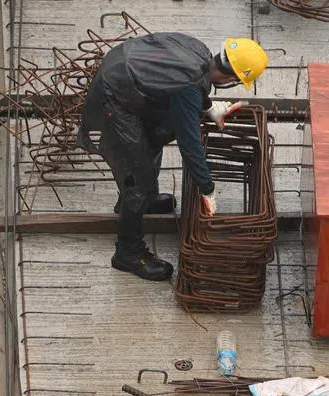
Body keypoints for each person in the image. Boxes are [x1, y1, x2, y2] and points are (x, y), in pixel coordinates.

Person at [77, 34, 269, 282]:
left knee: (155, 134)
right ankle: (128, 252)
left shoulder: (199, 50)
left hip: (124, 71)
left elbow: (184, 86)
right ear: (231, 77)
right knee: (137, 174)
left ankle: (146, 200)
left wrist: (209, 107)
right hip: (114, 96)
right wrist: (207, 189)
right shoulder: (188, 87)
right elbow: (190, 145)